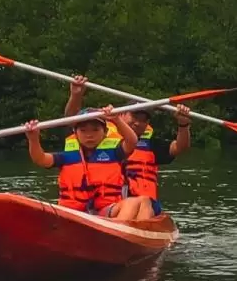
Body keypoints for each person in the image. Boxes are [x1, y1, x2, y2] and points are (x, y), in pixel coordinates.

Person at [64, 75, 191, 219]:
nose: (138, 123)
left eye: (144, 120)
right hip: (109, 204)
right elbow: (73, 120)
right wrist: (76, 95)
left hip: (142, 204)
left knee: (144, 202)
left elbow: (181, 147)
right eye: (135, 117)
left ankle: (131, 233)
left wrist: (183, 124)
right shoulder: (100, 135)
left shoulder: (150, 145)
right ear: (122, 114)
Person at [24, 105, 151, 219]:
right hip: (72, 213)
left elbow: (132, 141)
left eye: (95, 130)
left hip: (105, 212)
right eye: (83, 130)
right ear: (75, 133)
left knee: (137, 202)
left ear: (105, 132)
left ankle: (118, 233)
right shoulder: (65, 157)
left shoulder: (115, 153)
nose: (89, 135)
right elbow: (40, 159)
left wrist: (116, 120)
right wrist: (33, 139)